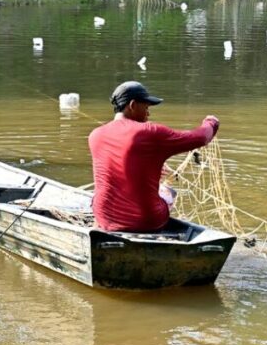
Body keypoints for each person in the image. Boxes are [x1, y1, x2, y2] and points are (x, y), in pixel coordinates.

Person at [88, 81, 219, 232]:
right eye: (146, 107)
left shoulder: (95, 135)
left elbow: (123, 163)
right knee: (168, 192)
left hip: (103, 218)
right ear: (132, 105)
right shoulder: (149, 132)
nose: (148, 114)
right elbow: (201, 138)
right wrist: (211, 122)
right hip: (145, 222)